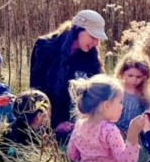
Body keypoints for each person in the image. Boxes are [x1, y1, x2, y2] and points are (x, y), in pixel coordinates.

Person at [30, 10, 106, 141]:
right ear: (77, 29)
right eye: (93, 37)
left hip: (78, 124)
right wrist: (53, 123)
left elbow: (98, 93)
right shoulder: (45, 47)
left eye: (98, 38)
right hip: (46, 121)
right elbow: (36, 90)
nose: (96, 43)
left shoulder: (91, 58)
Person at [66, 74, 148, 162]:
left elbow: (71, 155)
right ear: (106, 105)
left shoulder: (79, 125)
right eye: (120, 102)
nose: (122, 107)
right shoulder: (109, 130)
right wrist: (133, 134)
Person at [0, 89, 51, 159]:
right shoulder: (33, 141)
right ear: (39, 116)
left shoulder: (9, 130)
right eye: (48, 111)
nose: (50, 115)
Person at [114, 53, 150, 136]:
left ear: (144, 77)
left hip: (134, 133)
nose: (134, 80)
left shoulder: (143, 93)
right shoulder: (117, 89)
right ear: (123, 73)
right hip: (114, 130)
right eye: (130, 75)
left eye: (138, 77)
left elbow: (147, 110)